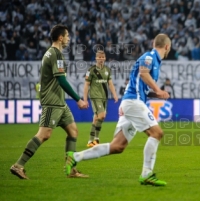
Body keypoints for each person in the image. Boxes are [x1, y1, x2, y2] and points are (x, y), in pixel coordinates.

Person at [65, 34, 171, 186]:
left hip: (130, 103)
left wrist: (155, 93)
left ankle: (75, 157)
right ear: (167, 47)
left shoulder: (154, 61)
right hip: (134, 102)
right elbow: (143, 72)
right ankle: (147, 174)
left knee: (118, 146)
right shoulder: (150, 57)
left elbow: (142, 84)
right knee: (157, 133)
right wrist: (158, 89)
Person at [10, 24, 89, 179]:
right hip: (52, 101)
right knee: (44, 134)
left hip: (60, 102)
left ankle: (71, 169)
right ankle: (18, 165)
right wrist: (78, 99)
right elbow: (61, 80)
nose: (68, 38)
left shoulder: (50, 53)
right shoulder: (55, 54)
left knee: (73, 131)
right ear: (60, 38)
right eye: (67, 35)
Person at [84, 50, 118, 147]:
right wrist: (85, 99)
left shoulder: (107, 70)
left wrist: (114, 94)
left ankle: (92, 140)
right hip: (95, 96)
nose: (101, 59)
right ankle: (96, 138)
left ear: (105, 58)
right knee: (102, 115)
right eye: (99, 57)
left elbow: (110, 83)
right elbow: (86, 85)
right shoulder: (91, 70)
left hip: (104, 97)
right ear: (96, 58)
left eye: (102, 57)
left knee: (97, 118)